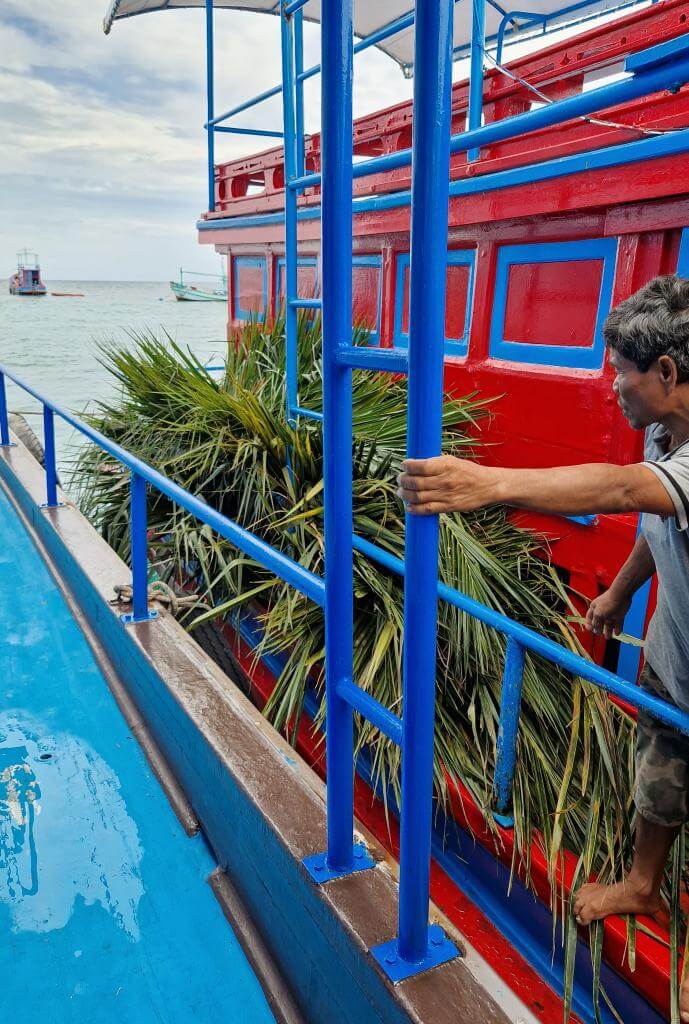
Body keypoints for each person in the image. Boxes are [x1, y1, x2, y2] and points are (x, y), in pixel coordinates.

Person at [397, 274, 689, 1019]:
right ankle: (640, 885)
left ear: (665, 373)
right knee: (658, 780)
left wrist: (485, 483)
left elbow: (625, 493)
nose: (612, 386)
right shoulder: (666, 432)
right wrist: (622, 592)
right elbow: (662, 521)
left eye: (620, 371)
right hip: (672, 658)